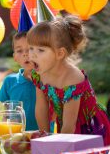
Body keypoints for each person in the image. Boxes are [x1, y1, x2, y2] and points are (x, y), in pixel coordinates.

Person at [28, 15, 110, 145]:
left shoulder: (73, 78)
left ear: (60, 53)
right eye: (31, 48)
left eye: (40, 50)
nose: (32, 54)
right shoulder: (40, 74)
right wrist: (43, 139)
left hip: (90, 130)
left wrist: (55, 147)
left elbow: (69, 126)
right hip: (66, 129)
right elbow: (41, 108)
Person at [0, 2, 38, 131]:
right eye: (20, 51)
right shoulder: (10, 82)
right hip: (16, 138)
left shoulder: (47, 81)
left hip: (42, 137)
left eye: (30, 49)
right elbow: (3, 113)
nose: (26, 54)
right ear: (15, 57)